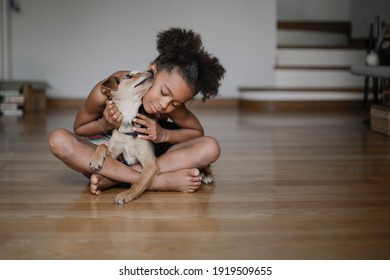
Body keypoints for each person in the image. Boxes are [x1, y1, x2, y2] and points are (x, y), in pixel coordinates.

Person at [48, 27, 226, 196]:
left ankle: (117, 179)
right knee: (58, 140)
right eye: (164, 92)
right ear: (153, 69)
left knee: (210, 147)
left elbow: (197, 133)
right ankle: (157, 182)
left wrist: (163, 135)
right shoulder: (115, 84)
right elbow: (79, 128)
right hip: (107, 159)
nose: (165, 105)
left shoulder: (170, 102)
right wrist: (106, 123)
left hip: (143, 161)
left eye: (175, 103)